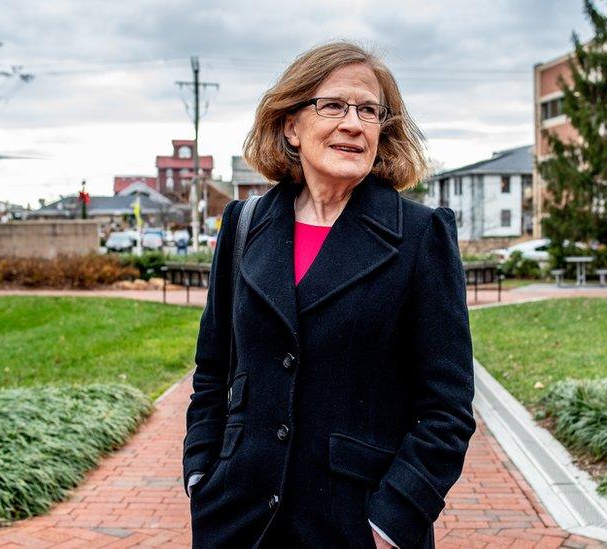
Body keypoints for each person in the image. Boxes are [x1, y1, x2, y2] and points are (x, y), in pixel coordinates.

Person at [182, 41, 476, 549]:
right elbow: (214, 369)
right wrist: (202, 472)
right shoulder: (244, 224)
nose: (353, 123)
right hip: (238, 518)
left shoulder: (420, 234)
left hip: (353, 524)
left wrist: (393, 520)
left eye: (369, 110)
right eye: (333, 105)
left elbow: (447, 408)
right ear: (291, 125)